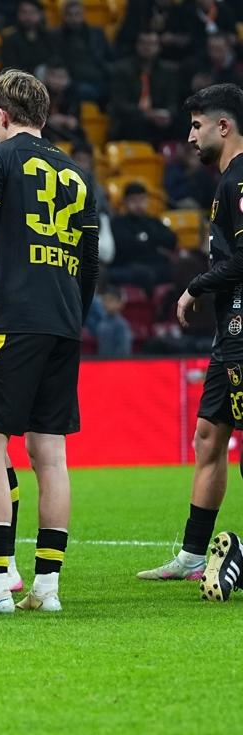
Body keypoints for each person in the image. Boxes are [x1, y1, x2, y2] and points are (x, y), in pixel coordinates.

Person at [0, 69, 99, 614]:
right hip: (63, 321)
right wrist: (74, 315)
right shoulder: (77, 173)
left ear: (0, 116)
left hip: (13, 321)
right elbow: (90, 262)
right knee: (50, 453)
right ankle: (47, 588)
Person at [140, 85, 243, 598]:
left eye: (197, 125)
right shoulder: (228, 179)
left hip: (242, 327)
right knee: (208, 435)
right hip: (229, 332)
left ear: (224, 126)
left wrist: (196, 286)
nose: (189, 136)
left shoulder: (240, 179)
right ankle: (192, 555)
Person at [108, 31, 182, 144]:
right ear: (136, 45)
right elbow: (119, 104)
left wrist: (167, 114)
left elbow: (172, 102)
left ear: (159, 47)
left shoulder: (168, 71)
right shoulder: (121, 70)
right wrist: (147, 114)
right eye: (143, 43)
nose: (147, 47)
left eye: (152, 44)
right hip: (131, 121)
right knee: (135, 124)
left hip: (159, 121)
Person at [110, 182, 178, 289]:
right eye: (133, 200)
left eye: (142, 199)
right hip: (130, 265)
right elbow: (125, 247)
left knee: (182, 267)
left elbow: (171, 240)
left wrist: (146, 239)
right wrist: (153, 243)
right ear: (125, 202)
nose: (138, 204)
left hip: (155, 263)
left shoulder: (153, 221)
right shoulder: (118, 223)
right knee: (143, 273)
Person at [52, 0, 112, 103]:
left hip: (99, 77)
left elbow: (109, 57)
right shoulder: (56, 36)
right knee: (84, 91)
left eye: (77, 14)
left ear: (83, 15)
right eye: (70, 15)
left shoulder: (97, 33)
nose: (74, 18)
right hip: (74, 80)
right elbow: (56, 61)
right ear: (64, 16)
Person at [0, 0, 55, 75]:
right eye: (24, 12)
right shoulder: (10, 39)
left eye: (32, 12)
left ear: (41, 15)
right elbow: (10, 69)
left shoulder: (49, 37)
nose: (28, 17)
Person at [96, 286, 132, 356]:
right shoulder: (101, 321)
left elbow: (124, 350)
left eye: (111, 300)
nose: (106, 303)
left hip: (115, 361)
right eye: (105, 300)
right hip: (102, 360)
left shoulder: (122, 325)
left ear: (120, 303)